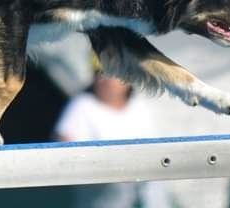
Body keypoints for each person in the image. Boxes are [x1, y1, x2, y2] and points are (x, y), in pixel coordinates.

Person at [54, 74, 172, 208]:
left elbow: (157, 152)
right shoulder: (82, 105)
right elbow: (64, 146)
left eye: (112, 74)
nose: (105, 80)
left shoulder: (139, 106)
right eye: (99, 74)